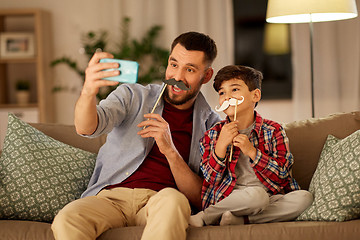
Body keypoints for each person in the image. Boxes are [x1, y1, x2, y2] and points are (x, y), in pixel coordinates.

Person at [51, 32, 221, 240]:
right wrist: (88, 91)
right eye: (174, 64)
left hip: (160, 200)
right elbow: (87, 128)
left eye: (190, 70)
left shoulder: (212, 126)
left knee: (174, 201)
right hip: (110, 199)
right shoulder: (132, 96)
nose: (177, 77)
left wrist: (170, 151)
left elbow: (201, 197)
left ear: (207, 75)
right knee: (67, 217)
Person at [189, 65, 313, 227]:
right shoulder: (212, 135)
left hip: (270, 198)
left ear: (255, 95)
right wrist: (220, 146)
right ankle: (206, 216)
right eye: (221, 92)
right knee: (256, 196)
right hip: (231, 198)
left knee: (304, 198)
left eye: (234, 90)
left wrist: (252, 152)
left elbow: (283, 176)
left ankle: (241, 220)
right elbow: (210, 180)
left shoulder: (273, 130)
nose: (227, 97)